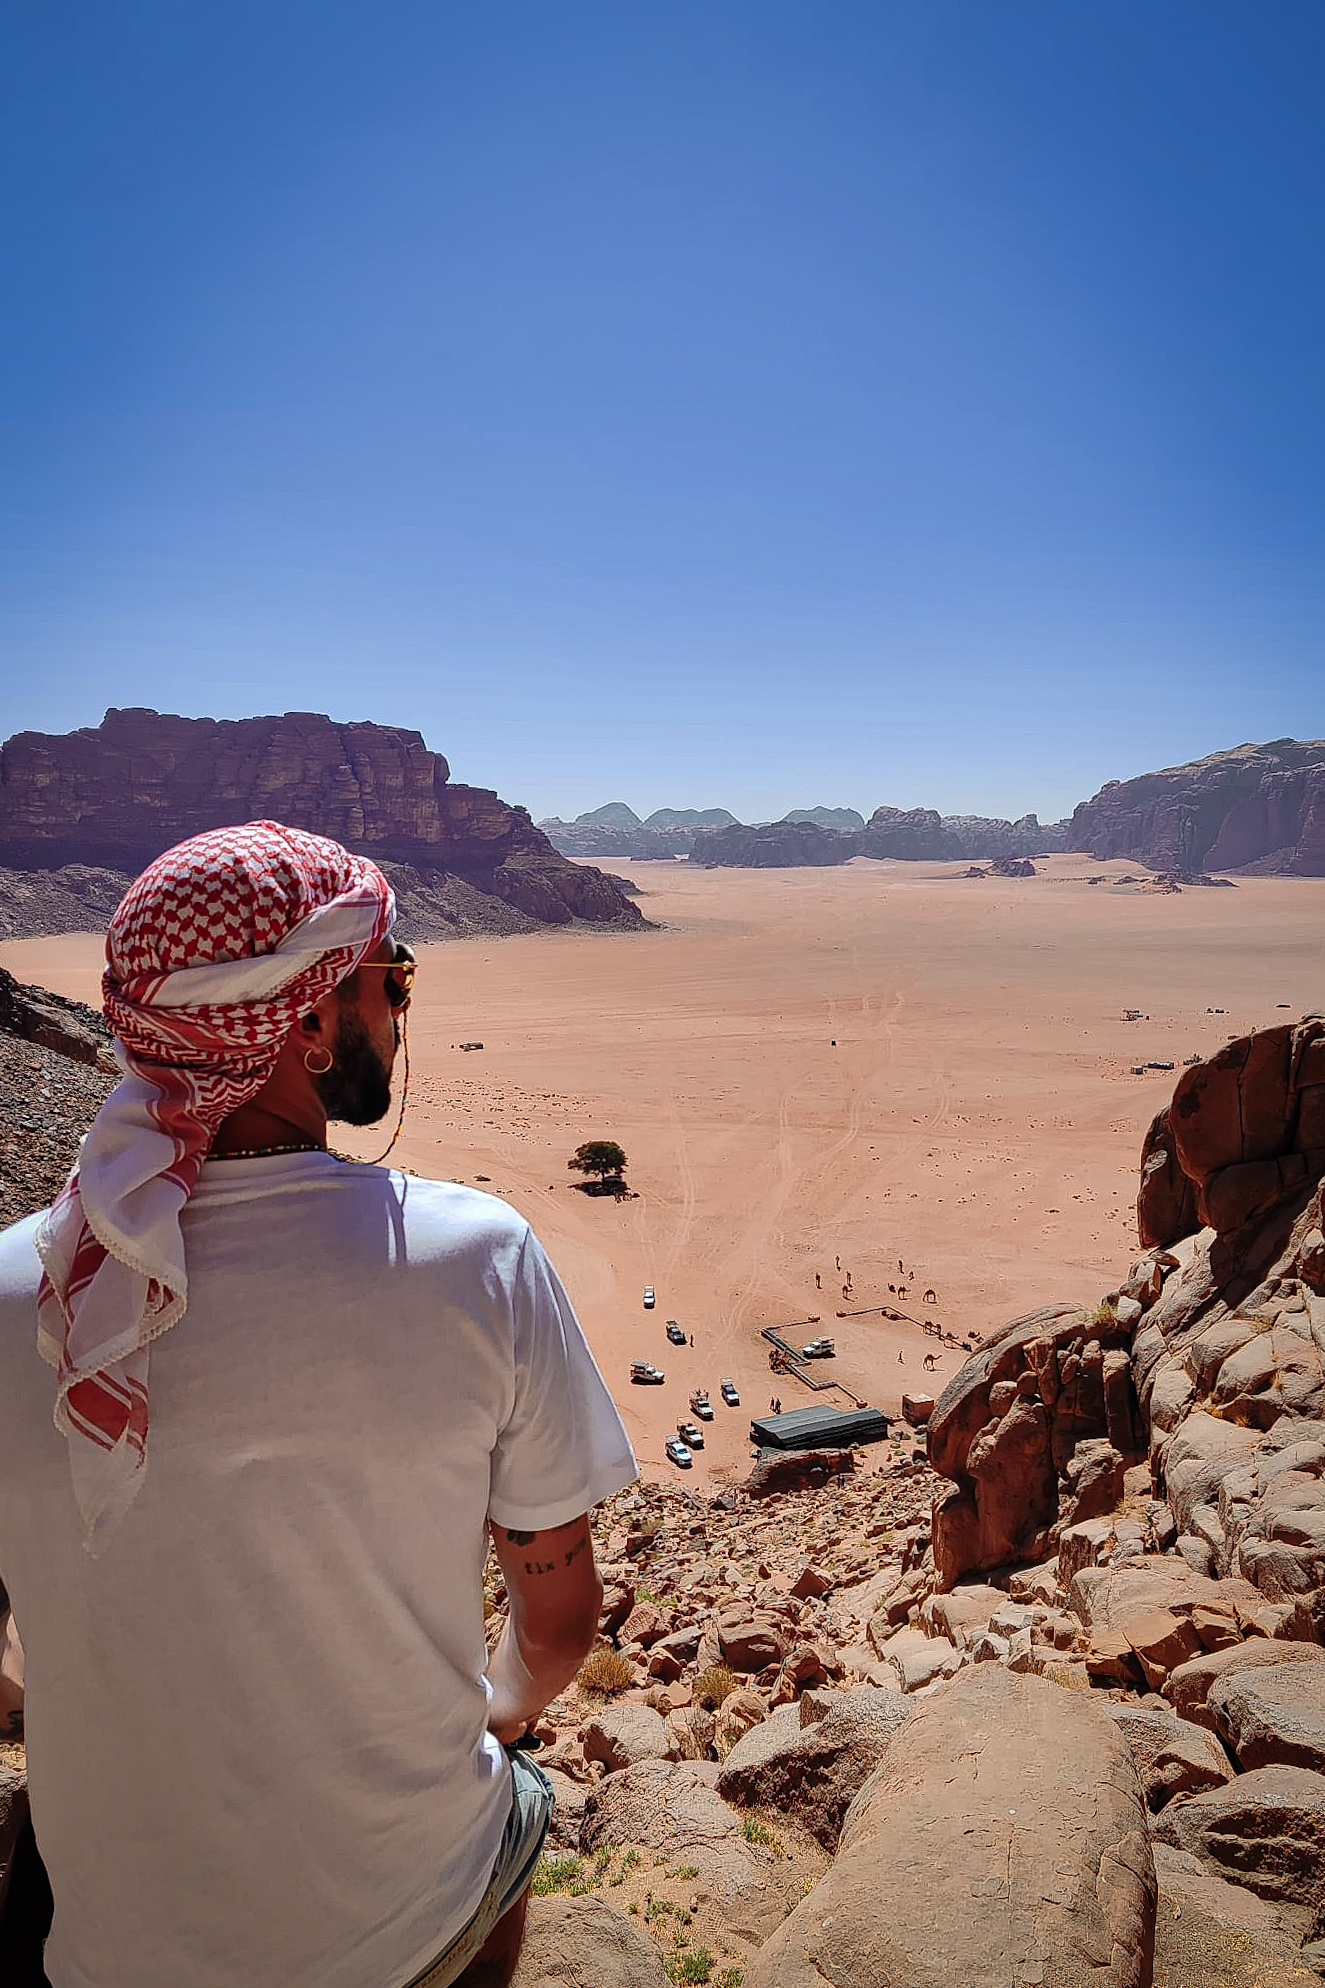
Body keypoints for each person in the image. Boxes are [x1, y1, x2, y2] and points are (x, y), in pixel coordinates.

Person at [0, 822, 637, 1988]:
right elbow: (554, 1627)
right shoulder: (477, 1258)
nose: (399, 1007)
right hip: (404, 1929)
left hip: (110, 1952)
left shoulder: (16, 1287)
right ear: (306, 1020)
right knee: (514, 1800)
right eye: (391, 978)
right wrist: (494, 1713)